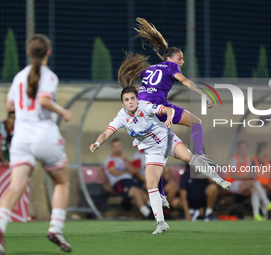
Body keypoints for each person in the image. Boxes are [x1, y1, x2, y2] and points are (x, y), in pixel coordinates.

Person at [89, 86, 231, 234]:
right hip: (153, 152)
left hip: (168, 140)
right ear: (123, 103)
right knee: (150, 184)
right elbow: (106, 133)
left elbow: (167, 109)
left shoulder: (146, 106)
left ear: (137, 99)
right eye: (126, 100)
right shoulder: (121, 117)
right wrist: (97, 143)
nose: (130, 102)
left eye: (132, 98)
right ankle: (161, 223)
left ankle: (219, 180)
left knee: (188, 157)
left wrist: (169, 117)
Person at [0, 34, 72, 254]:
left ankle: (1, 228)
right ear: (48, 52)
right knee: (62, 182)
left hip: (21, 139)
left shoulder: (19, 76)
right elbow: (42, 99)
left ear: (29, 52)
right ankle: (56, 228)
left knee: (15, 188)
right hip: (45, 137)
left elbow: (10, 104)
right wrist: (62, 111)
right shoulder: (48, 75)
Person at [118, 18, 214, 161]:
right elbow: (185, 81)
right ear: (169, 58)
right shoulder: (171, 66)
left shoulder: (150, 68)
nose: (182, 62)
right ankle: (200, 155)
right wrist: (202, 94)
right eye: (180, 58)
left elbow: (141, 85)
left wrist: (135, 90)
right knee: (196, 122)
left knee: (159, 148)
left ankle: (168, 148)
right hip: (158, 106)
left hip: (143, 108)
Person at [227, 141, 271, 221]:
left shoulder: (247, 160)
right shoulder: (234, 159)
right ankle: (267, 203)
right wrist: (248, 176)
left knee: (254, 190)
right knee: (256, 182)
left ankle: (256, 214)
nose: (243, 150)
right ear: (237, 149)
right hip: (231, 183)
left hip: (241, 183)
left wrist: (251, 175)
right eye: (241, 148)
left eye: (244, 148)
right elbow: (234, 176)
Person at [104, 138, 152, 218]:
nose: (118, 149)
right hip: (119, 182)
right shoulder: (110, 159)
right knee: (135, 191)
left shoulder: (125, 160)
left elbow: (133, 171)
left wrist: (125, 160)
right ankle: (147, 213)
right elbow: (114, 172)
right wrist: (126, 172)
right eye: (115, 147)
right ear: (112, 148)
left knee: (141, 191)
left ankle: (153, 209)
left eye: (119, 146)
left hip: (129, 181)